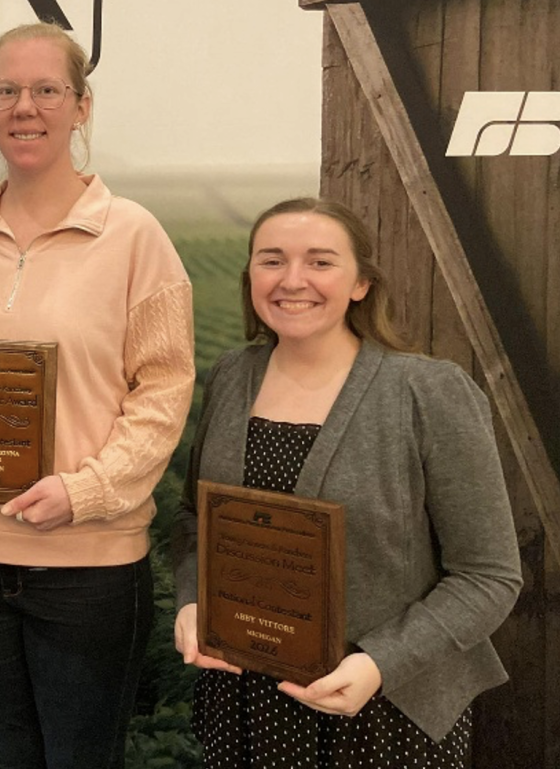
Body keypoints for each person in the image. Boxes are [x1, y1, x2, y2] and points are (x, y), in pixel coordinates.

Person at [171, 197, 523, 767]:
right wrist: (193, 603)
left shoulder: (426, 391)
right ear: (251, 277)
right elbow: (195, 519)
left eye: (320, 262)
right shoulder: (234, 375)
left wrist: (379, 663)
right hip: (244, 702)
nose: (292, 280)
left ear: (360, 283)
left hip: (386, 707)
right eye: (271, 260)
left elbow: (488, 577)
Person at [0, 21, 196, 769]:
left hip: (89, 567)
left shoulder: (133, 235)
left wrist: (86, 492)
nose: (26, 107)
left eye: (47, 90)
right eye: (7, 90)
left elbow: (165, 387)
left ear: (81, 107)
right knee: (15, 753)